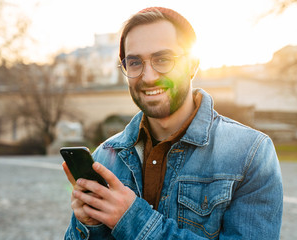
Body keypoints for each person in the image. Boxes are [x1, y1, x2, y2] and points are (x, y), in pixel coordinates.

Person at [62, 6, 283, 239]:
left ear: (192, 64)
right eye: (135, 62)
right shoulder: (104, 157)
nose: (148, 77)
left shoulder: (251, 154)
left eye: (163, 59)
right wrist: (91, 226)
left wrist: (133, 220)